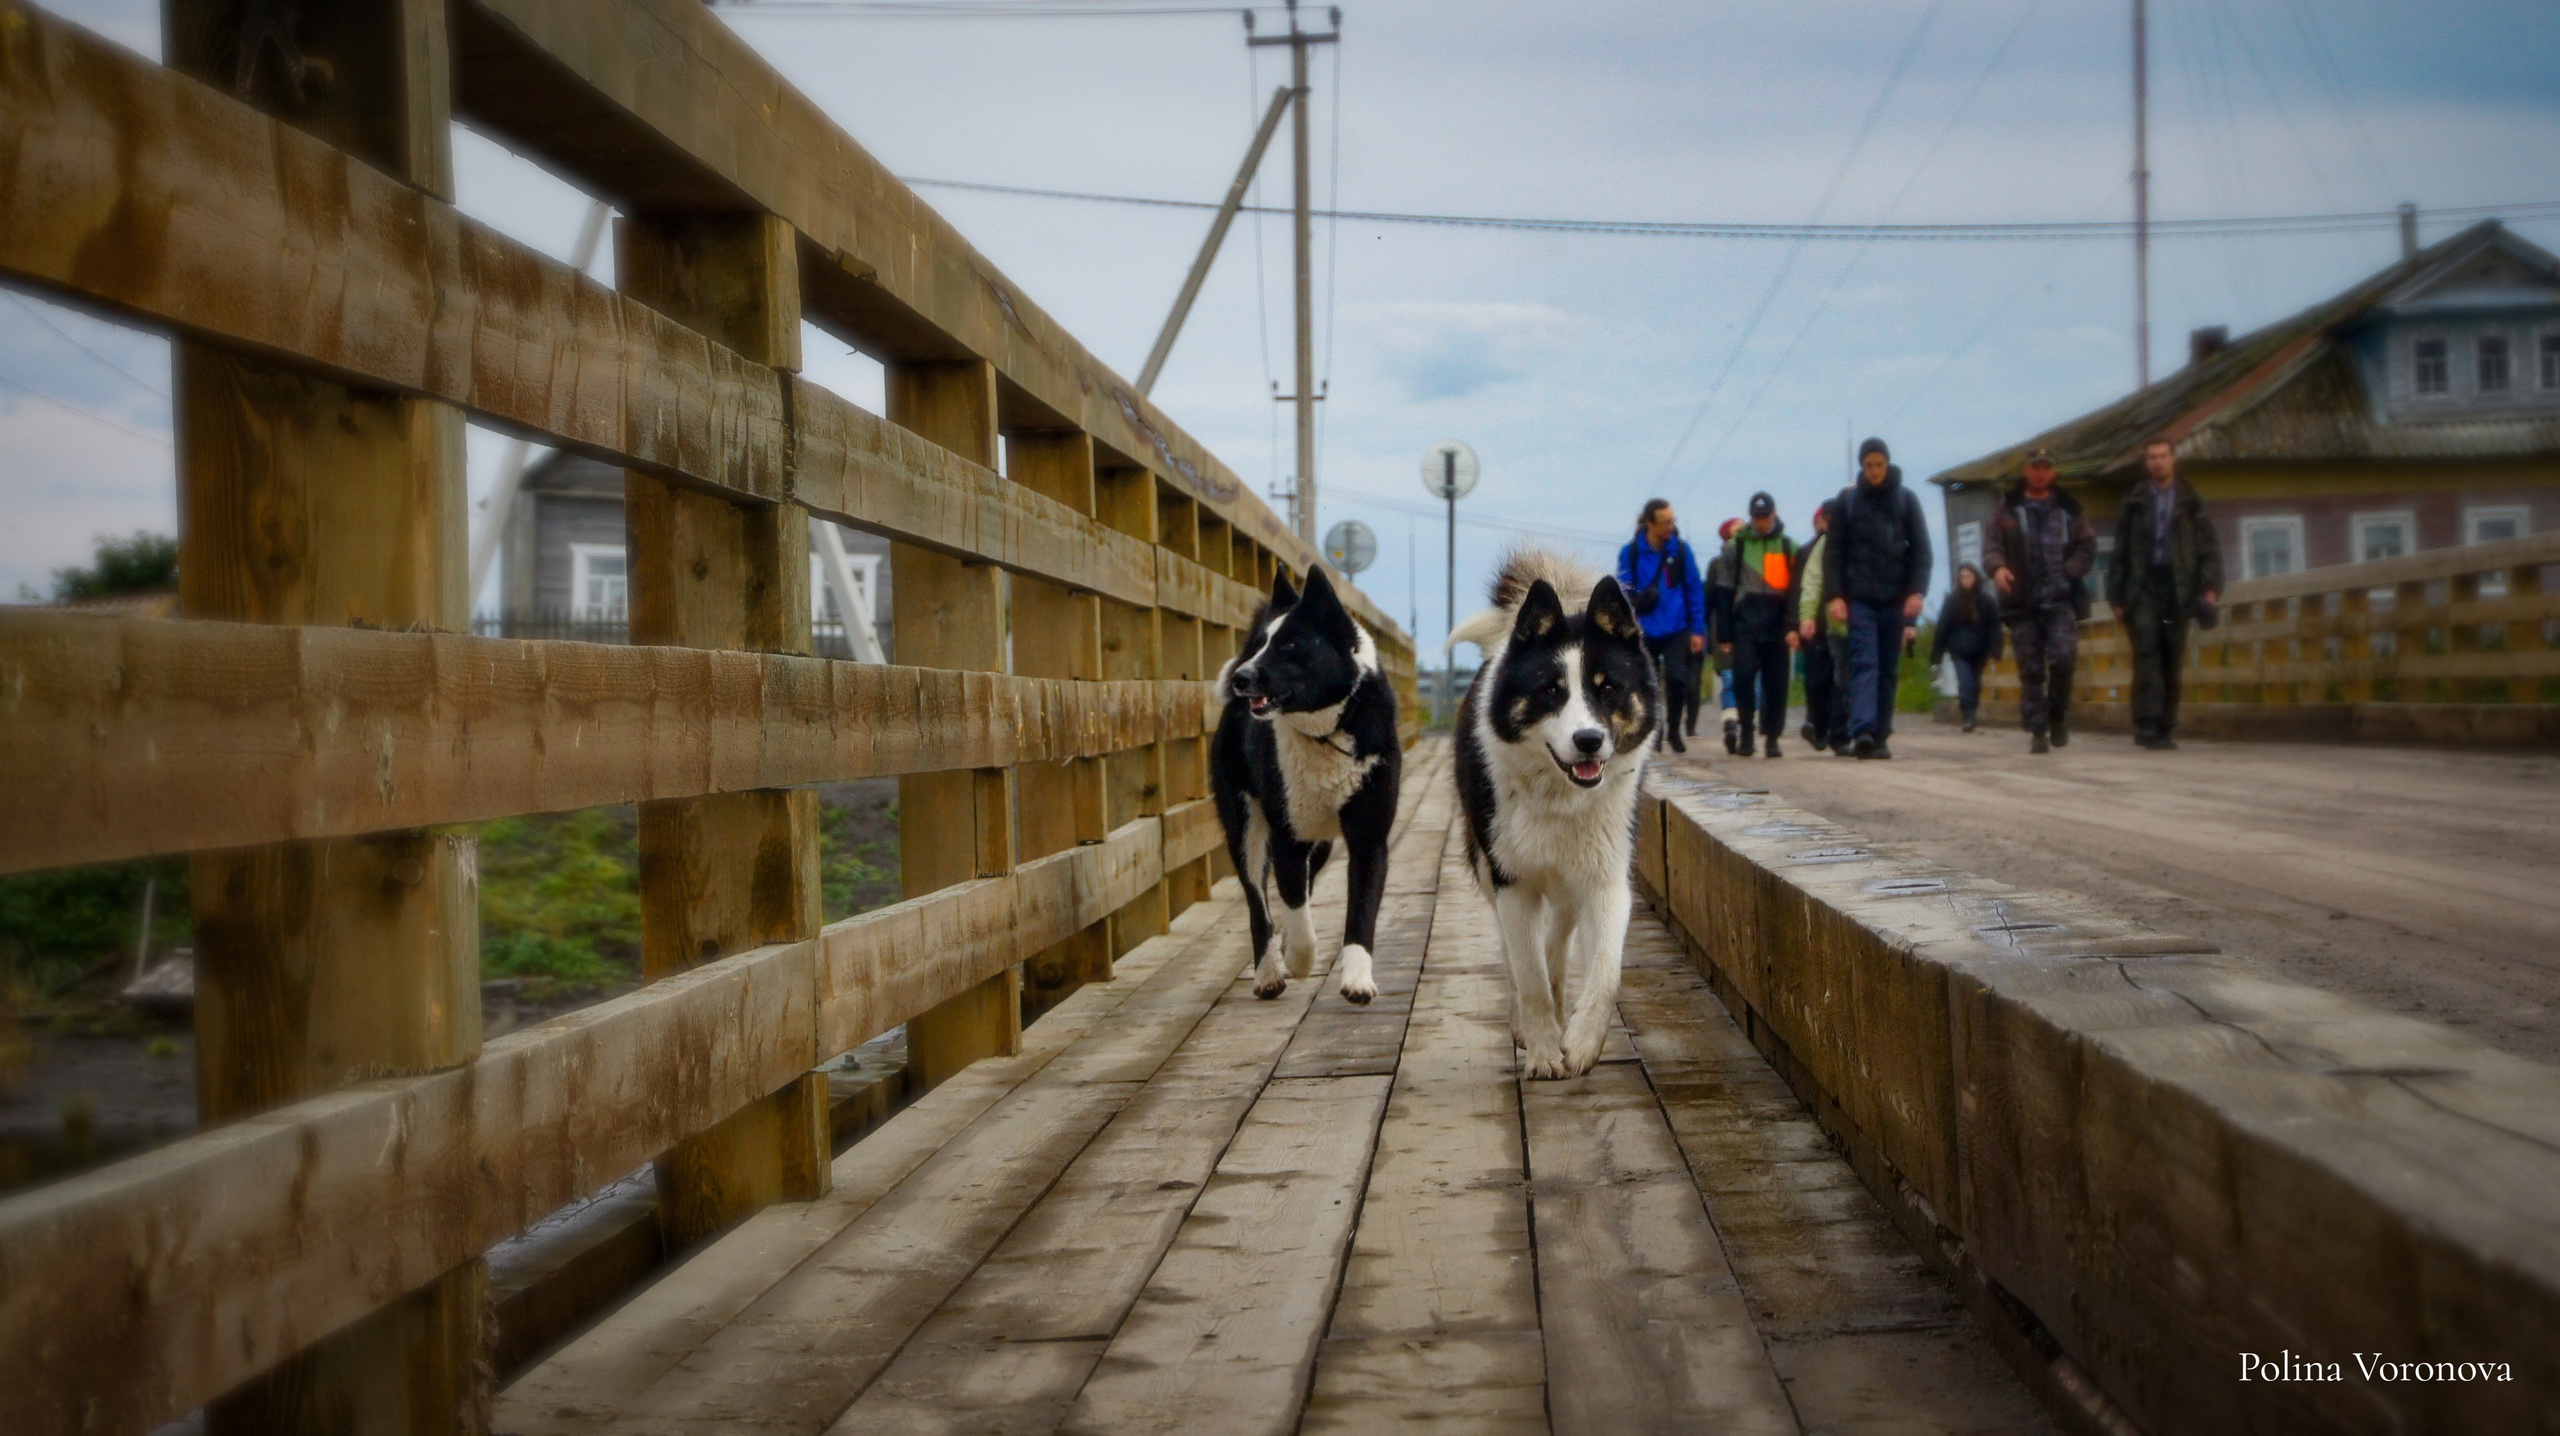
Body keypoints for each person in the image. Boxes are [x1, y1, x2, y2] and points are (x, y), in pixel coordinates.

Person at [2107, 437, 2222, 750]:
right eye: (2152, 457)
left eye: (2163, 456)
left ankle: (2165, 726)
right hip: (2142, 587)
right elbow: (2120, 551)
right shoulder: (2134, 502)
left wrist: (2210, 586)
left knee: (2171, 658)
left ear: (2173, 460)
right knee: (2147, 654)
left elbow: (2209, 548)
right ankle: (2146, 724)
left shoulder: (2190, 501)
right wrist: (2115, 595)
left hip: (2179, 587)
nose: (2157, 462)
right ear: (2147, 463)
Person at [1823, 437, 1933, 759]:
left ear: (1888, 464)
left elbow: (1922, 551)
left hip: (1895, 599)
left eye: (1879, 465)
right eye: (1868, 465)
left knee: (1888, 667)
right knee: (1864, 661)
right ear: (1862, 467)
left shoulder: (1906, 501)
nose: (1874, 471)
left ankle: (1882, 734)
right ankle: (1863, 731)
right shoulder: (1848, 502)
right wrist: (1834, 596)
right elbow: (1834, 552)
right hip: (1860, 599)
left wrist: (1917, 592)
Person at [1982, 447, 2096, 752]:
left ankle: (2057, 715)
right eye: (2035, 467)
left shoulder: (2069, 508)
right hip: (2023, 602)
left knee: (2063, 660)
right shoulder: (2007, 510)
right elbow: (1991, 546)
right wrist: (1999, 568)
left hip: (2061, 601)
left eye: (2046, 466)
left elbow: (2088, 546)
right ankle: (2038, 731)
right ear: (2026, 471)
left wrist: (2069, 572)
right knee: (2031, 670)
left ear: (2053, 471)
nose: (2041, 472)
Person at [1618, 498, 1707, 753]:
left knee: (1679, 679)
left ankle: (1675, 729)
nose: (1671, 526)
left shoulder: (1680, 551)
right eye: (1665, 522)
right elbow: (1623, 591)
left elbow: (1694, 589)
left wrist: (1698, 629)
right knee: (1648, 682)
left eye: (1672, 521)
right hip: (1644, 629)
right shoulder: (1631, 553)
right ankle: (1654, 732)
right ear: (1649, 523)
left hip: (1678, 627)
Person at [1717, 492, 1800, 757]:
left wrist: (1793, 625)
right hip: (1745, 625)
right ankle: (1747, 733)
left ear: (1774, 515)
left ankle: (1772, 737)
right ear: (1751, 517)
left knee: (1777, 684)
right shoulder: (1736, 546)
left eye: (1765, 517)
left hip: (1778, 625)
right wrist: (1725, 633)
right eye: (1756, 517)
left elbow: (1796, 591)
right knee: (1742, 679)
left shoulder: (1788, 546)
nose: (1761, 522)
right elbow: (1723, 590)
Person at [1796, 501, 1848, 752]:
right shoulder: (1808, 551)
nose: (1824, 525)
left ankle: (1836, 733)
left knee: (1839, 681)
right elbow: (1803, 586)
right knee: (1817, 681)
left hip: (1840, 625)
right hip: (1817, 626)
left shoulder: (1849, 544)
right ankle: (1817, 724)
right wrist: (1801, 620)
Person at [1928, 563, 2004, 733]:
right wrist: (1937, 654)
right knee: (1965, 681)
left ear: (1975, 577)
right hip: (1959, 650)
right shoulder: (1952, 600)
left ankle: (1972, 712)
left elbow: (1995, 628)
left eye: (1969, 576)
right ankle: (1967, 715)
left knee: (1976, 684)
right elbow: (1943, 626)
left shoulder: (1987, 601)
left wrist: (1995, 650)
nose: (1966, 580)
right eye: (1962, 576)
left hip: (1980, 650)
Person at [1703, 517, 1744, 750]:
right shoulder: (1717, 565)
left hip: (1750, 628)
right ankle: (1731, 723)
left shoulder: (1753, 563)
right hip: (1723, 630)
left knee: (1749, 680)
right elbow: (1709, 602)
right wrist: (1708, 639)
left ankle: (1745, 722)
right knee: (1729, 679)